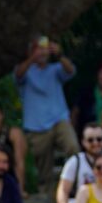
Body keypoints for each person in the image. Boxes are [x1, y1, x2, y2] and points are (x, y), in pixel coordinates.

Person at [13, 35, 80, 192]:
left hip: (59, 119)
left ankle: (76, 185)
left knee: (73, 147)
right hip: (36, 125)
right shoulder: (25, 70)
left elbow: (70, 70)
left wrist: (59, 55)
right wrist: (32, 58)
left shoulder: (55, 69)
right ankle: (46, 196)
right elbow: (18, 75)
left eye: (44, 49)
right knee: (44, 170)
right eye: (38, 48)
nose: (42, 52)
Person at [0, 99, 27, 192]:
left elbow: (19, 163)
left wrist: (20, 190)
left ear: (2, 115)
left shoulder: (13, 134)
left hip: (9, 183)